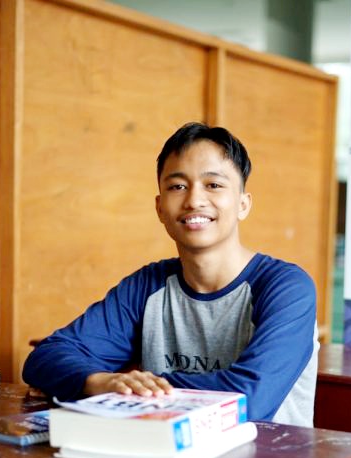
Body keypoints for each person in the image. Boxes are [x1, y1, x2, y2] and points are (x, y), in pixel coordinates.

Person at [22, 122, 319, 427]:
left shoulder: (287, 288)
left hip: (268, 455)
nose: (194, 200)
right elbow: (46, 357)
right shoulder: (146, 286)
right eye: (177, 186)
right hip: (165, 454)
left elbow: (250, 399)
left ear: (243, 205)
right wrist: (101, 382)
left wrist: (137, 388)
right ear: (160, 208)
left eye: (213, 185)